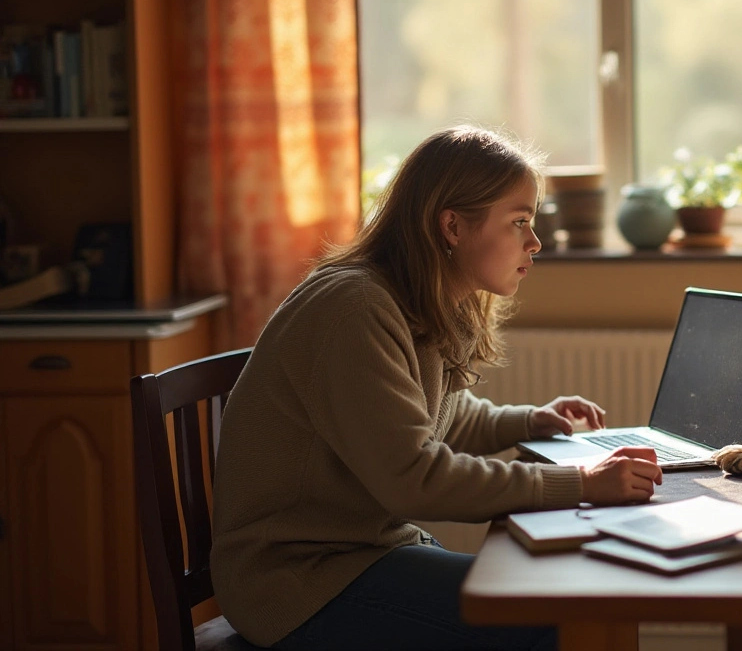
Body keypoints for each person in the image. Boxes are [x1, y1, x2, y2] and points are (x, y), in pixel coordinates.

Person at [210, 126, 663, 651]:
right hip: (297, 582)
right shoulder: (355, 309)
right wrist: (580, 484)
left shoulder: (411, 298)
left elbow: (438, 417)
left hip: (360, 554)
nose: (535, 243)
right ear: (451, 225)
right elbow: (414, 477)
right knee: (558, 619)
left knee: (568, 596)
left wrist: (527, 420)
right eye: (519, 222)